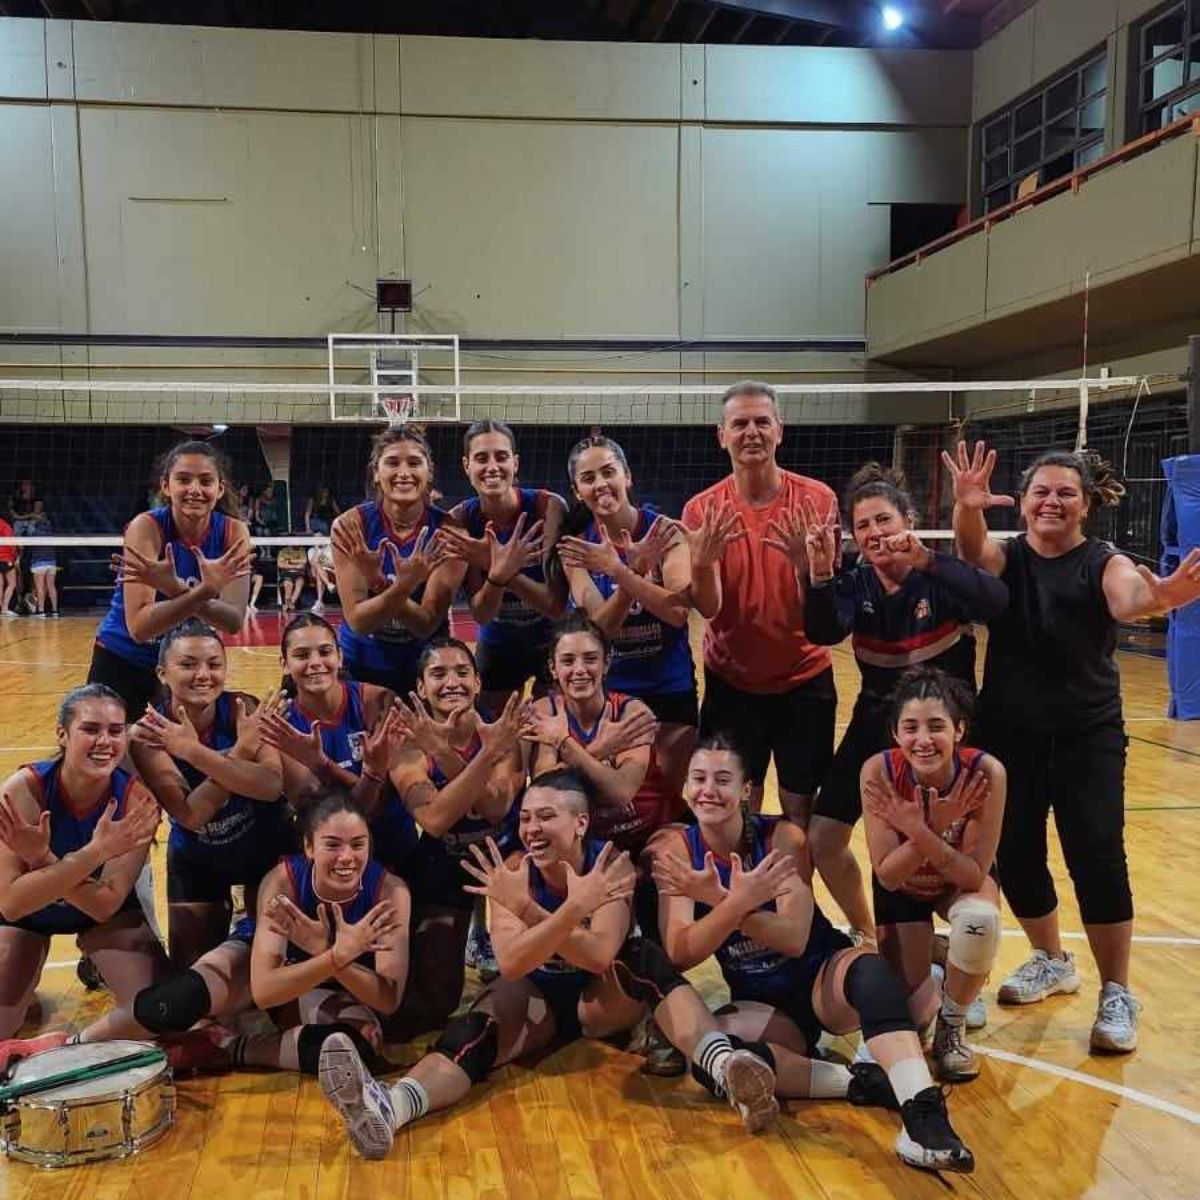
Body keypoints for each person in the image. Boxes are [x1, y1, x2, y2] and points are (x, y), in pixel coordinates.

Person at [317, 767, 785, 1161]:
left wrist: (531, 914)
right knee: (480, 1022)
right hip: (535, 1000)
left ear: (580, 824)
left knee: (642, 958)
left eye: (546, 817)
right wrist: (567, 910)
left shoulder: (611, 865)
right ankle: (391, 1106)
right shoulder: (512, 871)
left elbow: (600, 955)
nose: (531, 829)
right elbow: (512, 963)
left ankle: (725, 1068)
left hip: (601, 1002)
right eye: (525, 818)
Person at [944, 439, 1200, 1052]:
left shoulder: (1103, 560)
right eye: (1041, 492)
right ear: (1024, 503)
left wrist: (1159, 598)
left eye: (1065, 493)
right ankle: (1052, 959)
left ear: (1086, 504)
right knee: (1016, 853)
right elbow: (972, 552)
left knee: (1097, 852)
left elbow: (1128, 597)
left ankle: (1117, 990)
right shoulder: (1009, 557)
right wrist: (967, 506)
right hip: (1009, 733)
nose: (1052, 502)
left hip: (1087, 733)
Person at [651, 734, 975, 1174]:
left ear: (746, 790)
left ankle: (925, 1115)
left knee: (871, 974)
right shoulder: (677, 851)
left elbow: (793, 937)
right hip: (763, 1006)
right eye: (699, 779)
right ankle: (858, 1083)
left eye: (723, 780)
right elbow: (679, 951)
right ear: (686, 788)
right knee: (717, 1060)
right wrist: (734, 904)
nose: (709, 790)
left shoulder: (783, 837)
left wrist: (723, 904)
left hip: (822, 978)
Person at [804, 463, 1008, 942]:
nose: (874, 532)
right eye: (863, 525)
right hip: (877, 722)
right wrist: (819, 576)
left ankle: (966, 947)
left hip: (946, 736)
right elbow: (823, 631)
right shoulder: (856, 583)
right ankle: (867, 931)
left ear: (909, 521)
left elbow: (996, 602)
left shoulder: (939, 575)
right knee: (823, 837)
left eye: (884, 520)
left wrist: (928, 560)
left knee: (961, 850)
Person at [681, 381, 838, 824]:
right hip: (732, 683)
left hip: (804, 679)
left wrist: (805, 568)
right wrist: (702, 564)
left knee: (799, 810)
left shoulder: (818, 500)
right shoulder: (701, 510)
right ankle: (741, 872)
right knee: (736, 809)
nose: (751, 432)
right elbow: (708, 608)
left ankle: (796, 873)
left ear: (779, 431)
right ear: (722, 435)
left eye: (762, 422)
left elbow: (823, 609)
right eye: (740, 424)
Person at [0, 685, 165, 1059]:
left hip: (98, 914)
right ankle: (26, 980)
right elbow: (10, 904)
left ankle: (95, 966)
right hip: (28, 915)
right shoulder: (24, 790)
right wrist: (95, 853)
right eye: (90, 729)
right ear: (62, 734)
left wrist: (44, 861)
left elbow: (104, 906)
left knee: (157, 1013)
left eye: (115, 730)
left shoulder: (138, 801)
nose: (105, 741)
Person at [860, 668, 1005, 1082]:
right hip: (903, 887)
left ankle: (953, 1025)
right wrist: (934, 827)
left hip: (957, 882)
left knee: (979, 921)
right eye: (911, 727)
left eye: (936, 726)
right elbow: (888, 876)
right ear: (895, 732)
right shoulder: (878, 771)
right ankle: (942, 963)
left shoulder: (986, 772)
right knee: (907, 1015)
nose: (923, 739)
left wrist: (920, 830)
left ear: (959, 730)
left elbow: (973, 874)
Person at [129, 619, 291, 967]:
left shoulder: (244, 709)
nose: (203, 674)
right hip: (197, 856)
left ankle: (246, 922)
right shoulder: (147, 734)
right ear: (162, 673)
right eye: (188, 664)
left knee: (271, 961)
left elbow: (270, 787)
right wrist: (241, 754)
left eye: (214, 664)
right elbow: (190, 814)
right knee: (189, 974)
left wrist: (193, 753)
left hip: (263, 846)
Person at [386, 638, 526, 1037]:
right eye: (438, 674)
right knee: (438, 1001)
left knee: (526, 976)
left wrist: (444, 753)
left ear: (478, 682)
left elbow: (496, 807)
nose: (452, 682)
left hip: (506, 856)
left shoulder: (503, 729)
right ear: (421, 686)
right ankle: (470, 939)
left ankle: (494, 943)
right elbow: (434, 820)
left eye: (463, 672)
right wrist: (467, 754)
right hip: (446, 859)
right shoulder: (408, 745)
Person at [551, 434, 697, 797]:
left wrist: (619, 572)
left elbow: (677, 613)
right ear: (577, 491)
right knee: (612, 797)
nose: (600, 484)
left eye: (608, 472)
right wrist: (633, 574)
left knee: (666, 798)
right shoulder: (576, 548)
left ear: (627, 476)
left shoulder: (665, 532)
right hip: (610, 690)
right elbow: (598, 630)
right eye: (588, 478)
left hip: (669, 686)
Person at [245, 789, 410, 1073]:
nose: (347, 857)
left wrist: (326, 953)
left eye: (358, 845)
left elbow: (387, 1001)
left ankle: (236, 1047)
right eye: (332, 845)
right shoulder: (283, 882)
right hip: (292, 985)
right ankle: (230, 1046)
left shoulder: (390, 891)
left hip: (341, 992)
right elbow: (264, 992)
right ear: (309, 847)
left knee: (363, 1043)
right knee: (182, 998)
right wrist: (334, 957)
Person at [88, 440, 253, 719]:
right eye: (184, 480)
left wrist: (174, 588)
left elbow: (233, 620)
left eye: (206, 481)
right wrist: (205, 592)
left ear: (220, 488)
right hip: (124, 657)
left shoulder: (233, 532)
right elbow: (140, 628)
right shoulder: (146, 527)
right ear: (166, 486)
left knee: (181, 744)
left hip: (186, 666)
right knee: (108, 743)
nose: (195, 489)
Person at [261, 612, 417, 878]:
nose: (315, 663)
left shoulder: (378, 701)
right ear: (284, 664)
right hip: (332, 857)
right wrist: (372, 776)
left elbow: (375, 807)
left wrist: (320, 765)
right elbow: (326, 813)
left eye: (325, 652)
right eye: (302, 655)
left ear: (340, 656)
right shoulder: (282, 724)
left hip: (394, 844)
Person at [442, 419, 569, 711]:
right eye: (481, 458)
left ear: (516, 462)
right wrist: (501, 571)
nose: (492, 466)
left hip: (553, 639)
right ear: (466, 466)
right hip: (498, 643)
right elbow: (482, 613)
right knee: (491, 724)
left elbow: (554, 606)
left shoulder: (548, 507)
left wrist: (494, 566)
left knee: (555, 722)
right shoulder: (460, 520)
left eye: (501, 456)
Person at [330, 425, 466, 695]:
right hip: (360, 665)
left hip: (426, 668)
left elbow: (425, 624)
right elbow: (359, 621)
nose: (404, 472)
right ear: (376, 473)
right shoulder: (351, 526)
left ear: (429, 472)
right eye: (392, 463)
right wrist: (405, 586)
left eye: (414, 463)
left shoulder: (451, 531)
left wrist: (380, 583)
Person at [29, 514, 59, 618]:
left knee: (40, 587)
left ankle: (41, 611)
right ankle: (55, 610)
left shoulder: (34, 534)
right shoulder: (52, 534)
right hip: (51, 563)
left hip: (38, 563)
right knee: (51, 586)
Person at [276, 540, 309, 612]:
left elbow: (304, 562)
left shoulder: (302, 550)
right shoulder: (283, 551)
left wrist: (289, 561)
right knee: (288, 585)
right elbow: (280, 564)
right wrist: (296, 565)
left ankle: (290, 604)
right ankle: (288, 603)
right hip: (286, 573)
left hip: (299, 573)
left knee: (299, 584)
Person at [307, 542, 337, 614]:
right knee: (318, 570)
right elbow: (313, 564)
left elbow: (334, 564)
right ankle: (329, 585)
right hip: (320, 572)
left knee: (319, 574)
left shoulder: (329, 547)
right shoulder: (311, 550)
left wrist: (327, 566)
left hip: (334, 571)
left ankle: (319, 601)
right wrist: (317, 550)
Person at [0, 513, 17, 616]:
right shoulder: (6, 526)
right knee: (12, 584)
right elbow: (11, 543)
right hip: (6, 558)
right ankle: (4, 608)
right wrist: (14, 557)